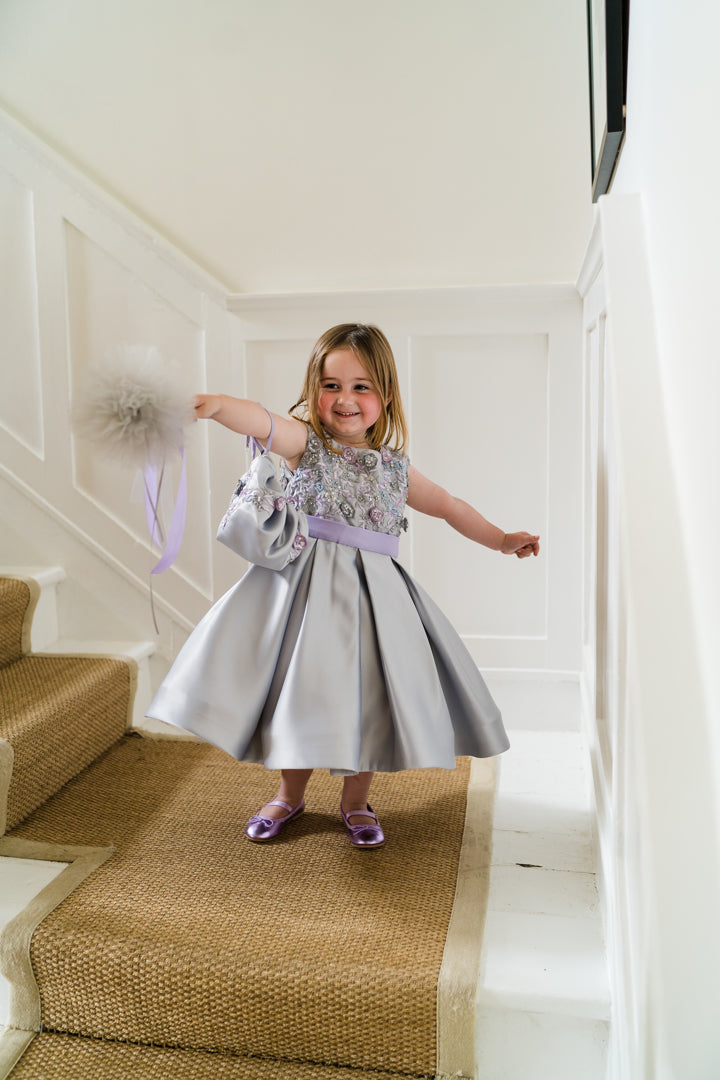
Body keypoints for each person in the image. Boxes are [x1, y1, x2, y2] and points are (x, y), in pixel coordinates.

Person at [146, 324, 539, 849]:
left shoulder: (396, 468)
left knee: (367, 696)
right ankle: (288, 794)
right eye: (331, 385)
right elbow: (261, 420)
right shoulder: (305, 444)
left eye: (361, 386)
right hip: (303, 597)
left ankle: (356, 800)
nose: (345, 399)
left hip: (375, 601)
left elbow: (449, 506)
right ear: (313, 390)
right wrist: (216, 404)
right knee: (301, 693)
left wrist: (500, 539)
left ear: (387, 395)